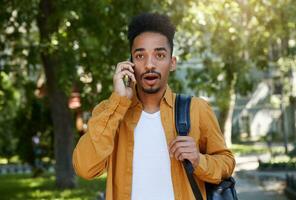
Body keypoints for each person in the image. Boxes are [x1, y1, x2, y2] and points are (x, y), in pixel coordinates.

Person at [72, 13, 235, 200]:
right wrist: (118, 101)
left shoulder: (196, 109)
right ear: (130, 64)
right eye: (140, 55)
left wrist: (199, 160)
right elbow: (84, 168)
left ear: (172, 63)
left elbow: (226, 163)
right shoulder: (110, 112)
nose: (149, 64)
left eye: (159, 55)